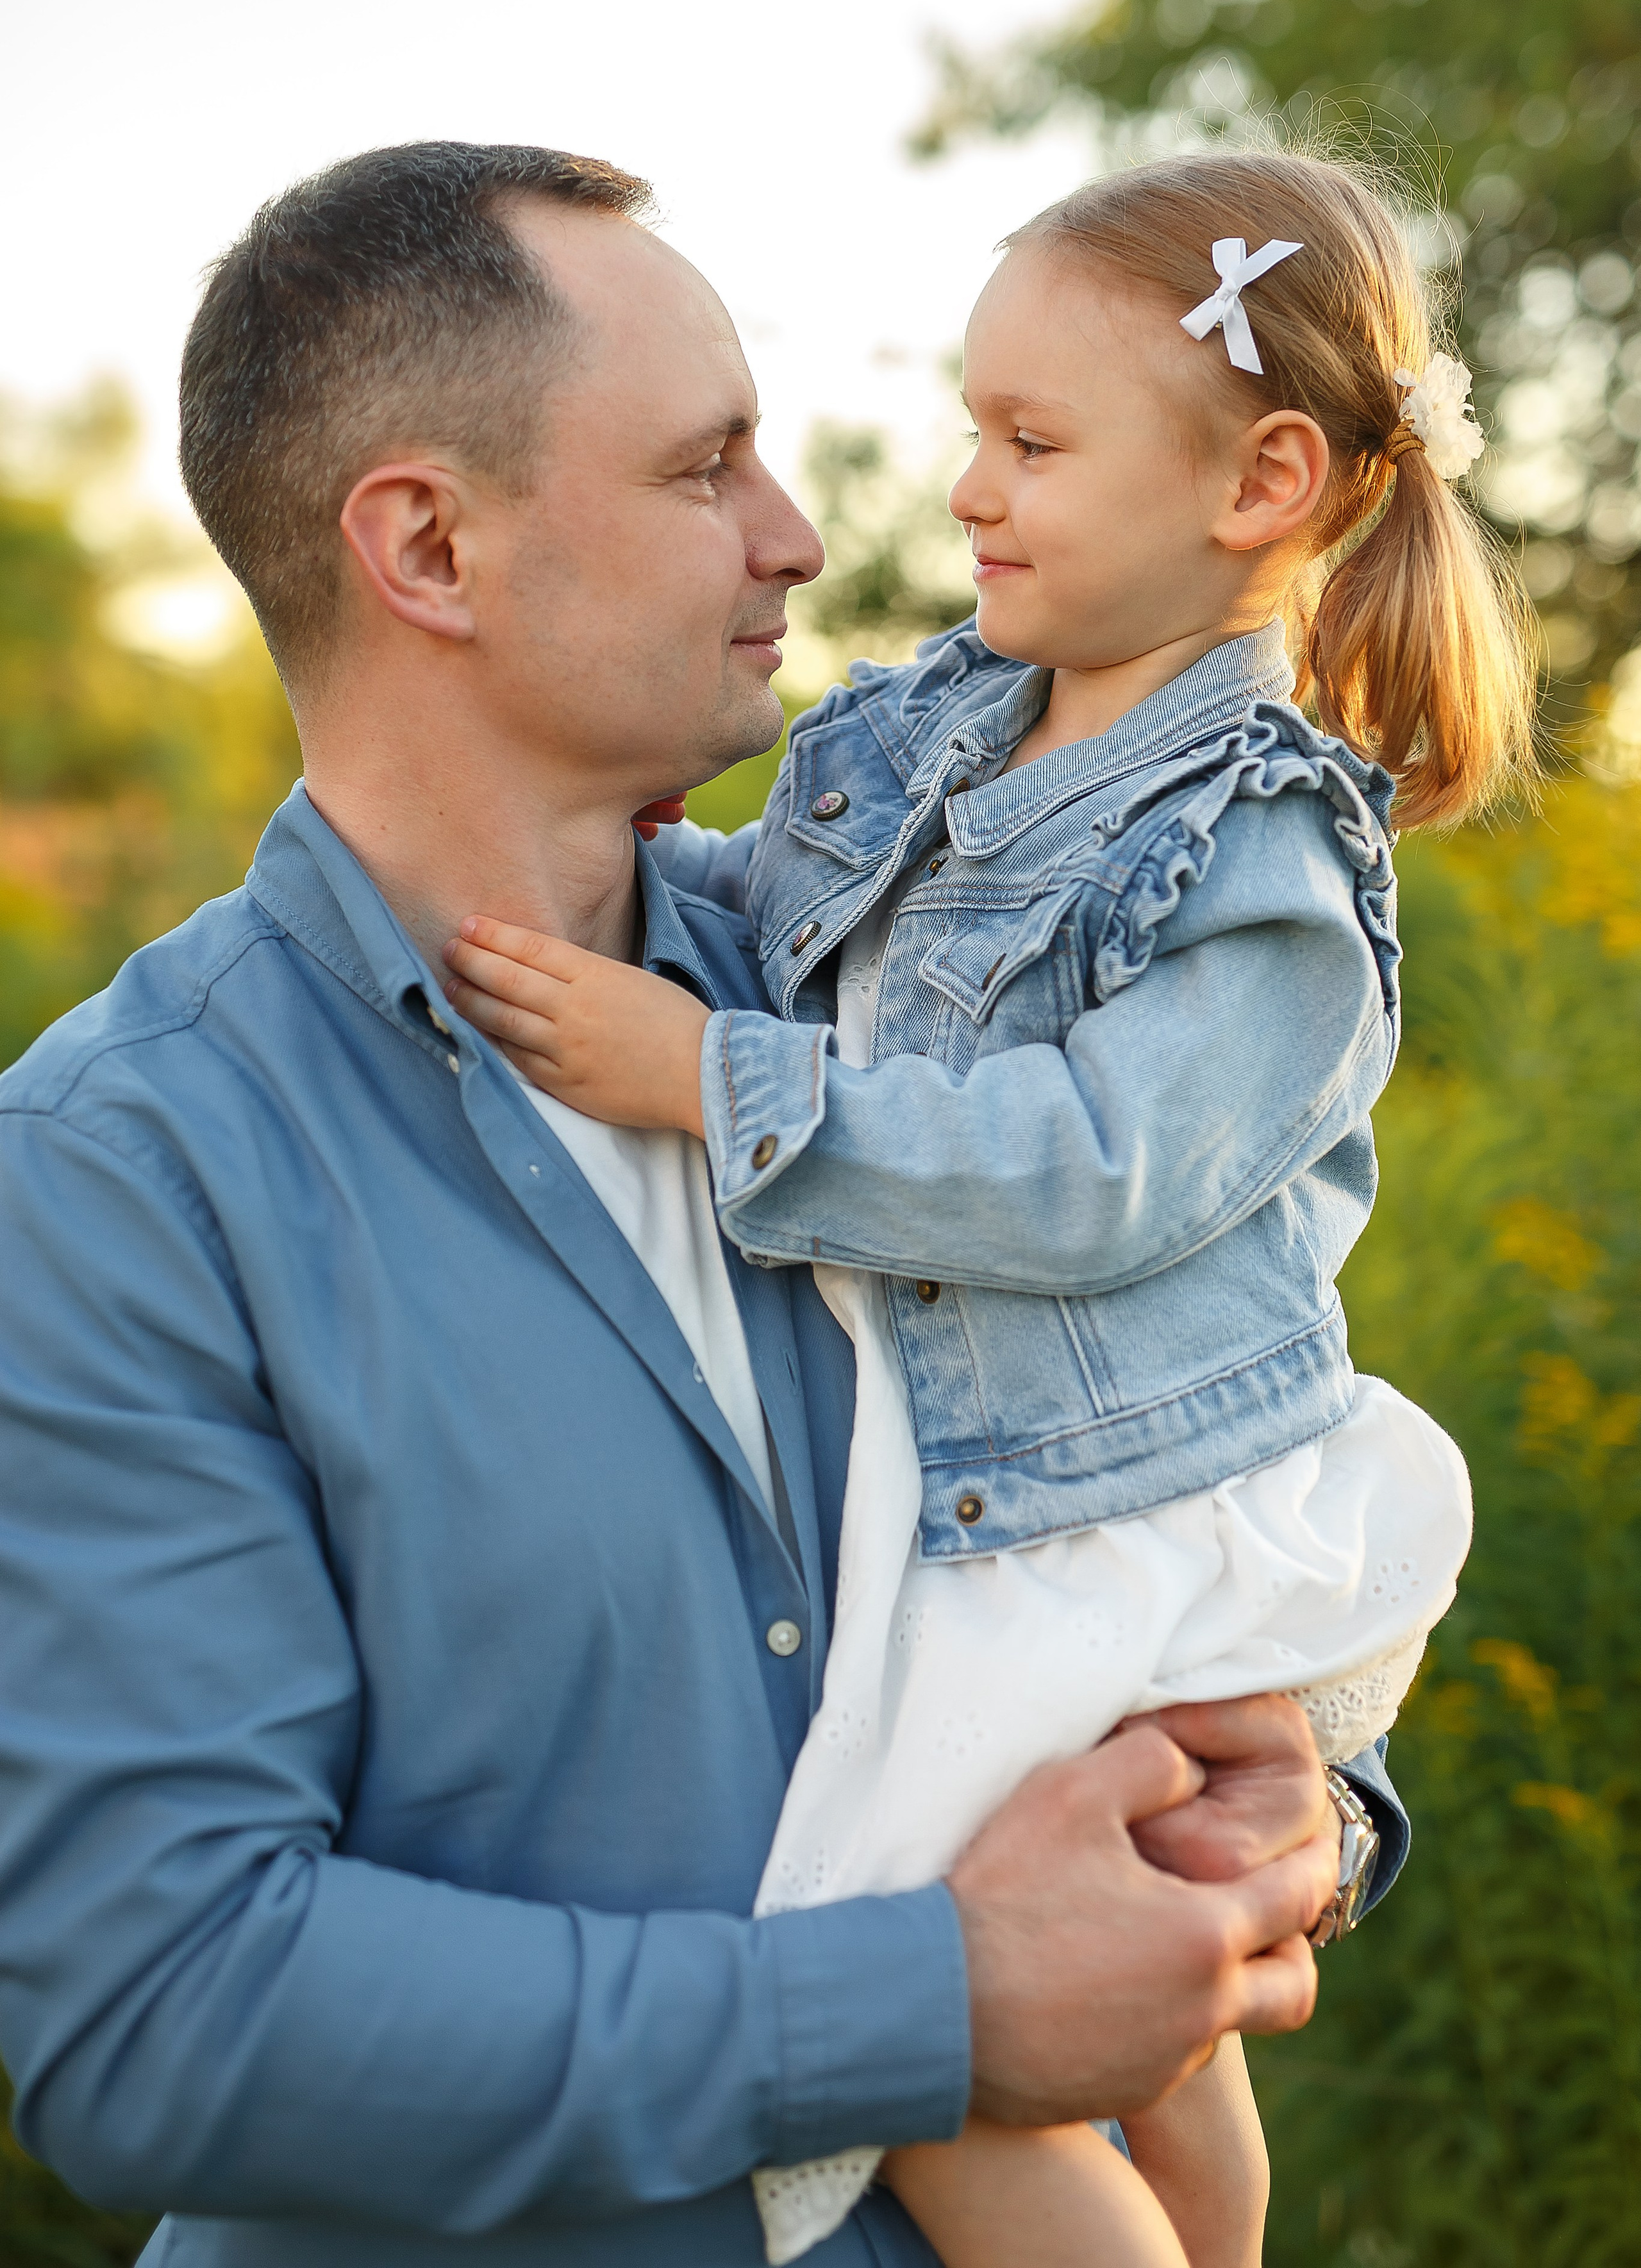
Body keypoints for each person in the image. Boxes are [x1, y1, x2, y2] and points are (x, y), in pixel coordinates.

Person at [0, 144, 1377, 2267]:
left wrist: (1308, 1819)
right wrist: (935, 2013)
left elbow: (1184, 1466)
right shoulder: (124, 1169)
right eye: (706, 466)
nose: (806, 536)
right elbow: (159, 2020)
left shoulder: (912, 1015)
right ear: (429, 546)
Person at [441, 150, 1538, 2267]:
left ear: (1263, 481)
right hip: (1007, 1497)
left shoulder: (1266, 845)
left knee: (914, 2009)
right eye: (977, 428)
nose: (964, 487)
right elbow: (777, 910)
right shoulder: (949, 714)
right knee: (1147, 2034)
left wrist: (713, 1089)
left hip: (1106, 1510)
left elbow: (1093, 1167)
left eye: (1034, 442)